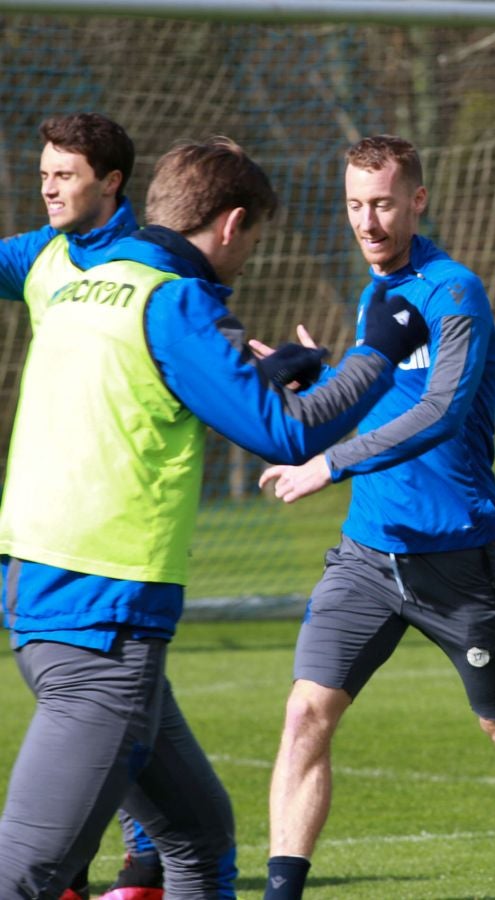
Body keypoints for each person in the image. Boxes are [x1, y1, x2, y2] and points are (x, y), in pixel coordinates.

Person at [0, 136, 427, 900]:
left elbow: (142, 395)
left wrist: (258, 376)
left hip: (47, 597)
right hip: (102, 623)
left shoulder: (93, 287)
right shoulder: (178, 300)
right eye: (252, 241)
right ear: (230, 225)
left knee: (196, 840)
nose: (247, 259)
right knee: (25, 876)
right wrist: (378, 353)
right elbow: (288, 435)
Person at [260, 134, 495, 900]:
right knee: (306, 712)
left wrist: (331, 461)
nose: (367, 221)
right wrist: (322, 379)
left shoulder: (454, 293)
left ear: (417, 201)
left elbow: (441, 410)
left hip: (458, 560)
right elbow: (386, 391)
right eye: (353, 205)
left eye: (381, 203)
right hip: (367, 554)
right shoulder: (376, 296)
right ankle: (281, 892)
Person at [0, 112, 166, 900]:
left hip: (122, 546)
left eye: (63, 175)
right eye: (43, 175)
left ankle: (102, 864)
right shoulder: (42, 254)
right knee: (118, 714)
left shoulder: (157, 262)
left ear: (111, 182)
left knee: (112, 708)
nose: (47, 187)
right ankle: (129, 862)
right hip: (45, 544)